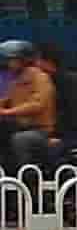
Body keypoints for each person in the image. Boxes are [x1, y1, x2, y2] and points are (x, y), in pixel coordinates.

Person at [0, 39, 56, 172]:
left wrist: (7, 113)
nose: (8, 64)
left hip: (39, 131)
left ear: (23, 60)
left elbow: (38, 104)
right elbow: (7, 100)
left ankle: (25, 179)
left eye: (12, 60)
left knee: (20, 140)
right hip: (20, 127)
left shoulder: (41, 78)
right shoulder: (17, 81)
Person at [35, 43, 77, 167]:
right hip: (51, 136)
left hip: (73, 137)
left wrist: (58, 136)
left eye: (38, 61)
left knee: (48, 152)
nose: (36, 65)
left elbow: (76, 118)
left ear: (49, 62)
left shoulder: (70, 83)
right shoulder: (43, 83)